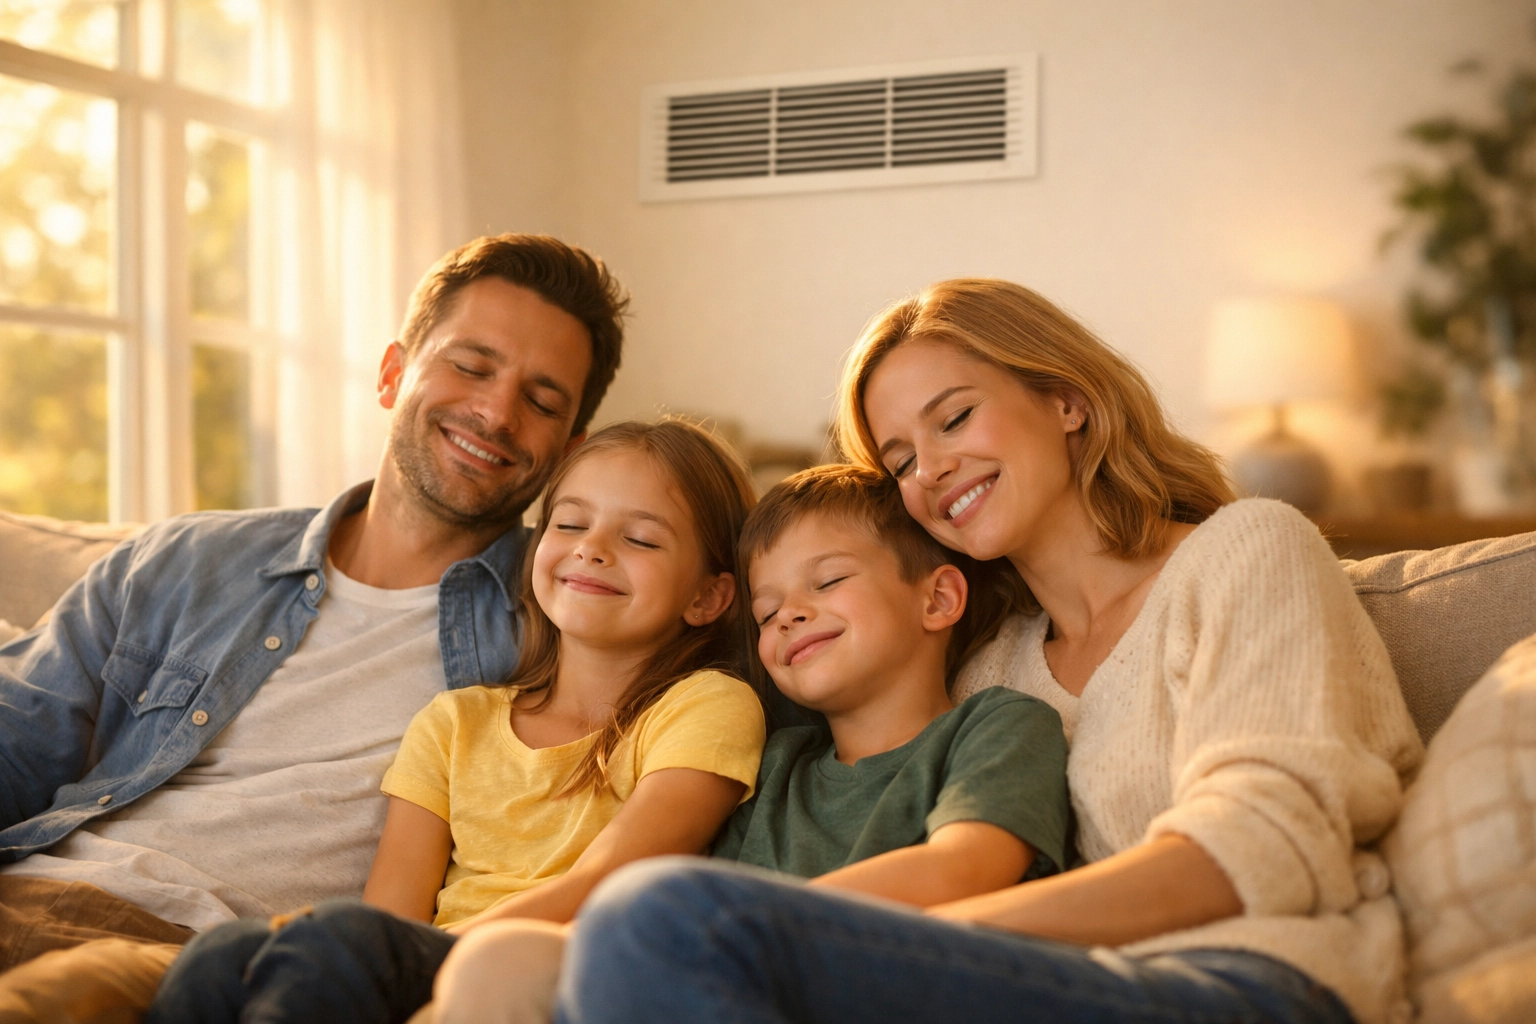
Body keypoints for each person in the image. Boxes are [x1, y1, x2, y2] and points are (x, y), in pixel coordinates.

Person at [552, 278, 1425, 1024]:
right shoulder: (986, 664)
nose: (929, 470)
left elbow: (1266, 848)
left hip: (1256, 981)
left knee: (664, 920)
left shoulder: (1244, 550)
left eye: (955, 418)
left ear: (1065, 399)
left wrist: (871, 945)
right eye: (899, 459)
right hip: (1042, 986)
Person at [0, 233, 627, 1020]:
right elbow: (14, 736)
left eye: (541, 401)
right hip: (25, 889)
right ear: (394, 373)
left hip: (185, 958)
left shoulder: (573, 625)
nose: (495, 412)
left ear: (567, 452)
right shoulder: (188, 560)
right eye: (470, 366)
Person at [144, 418, 767, 1024]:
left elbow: (612, 879)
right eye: (570, 522)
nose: (590, 548)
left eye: (642, 540)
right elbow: (393, 911)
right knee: (217, 957)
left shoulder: (707, 706)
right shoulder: (454, 722)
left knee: (333, 943)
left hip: (559, 963)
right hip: (424, 961)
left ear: (708, 596)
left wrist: (428, 949)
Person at [427, 462, 1073, 1024]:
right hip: (735, 993)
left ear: (937, 598)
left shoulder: (998, 725)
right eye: (767, 612)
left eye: (826, 583)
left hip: (893, 995)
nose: (789, 614)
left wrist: (736, 920)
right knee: (499, 962)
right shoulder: (777, 767)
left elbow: (965, 867)